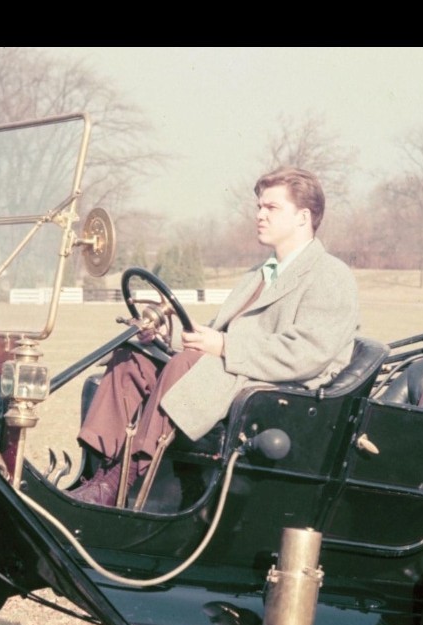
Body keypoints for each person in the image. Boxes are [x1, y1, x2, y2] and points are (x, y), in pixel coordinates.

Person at [72, 166, 360, 506]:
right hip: (236, 369)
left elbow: (307, 354)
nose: (259, 215)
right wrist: (166, 333)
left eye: (271, 208)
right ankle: (96, 473)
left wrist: (223, 346)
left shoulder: (329, 275)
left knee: (189, 366)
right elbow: (218, 331)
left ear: (303, 217)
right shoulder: (260, 274)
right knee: (132, 358)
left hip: (278, 392)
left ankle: (124, 479)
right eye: (259, 207)